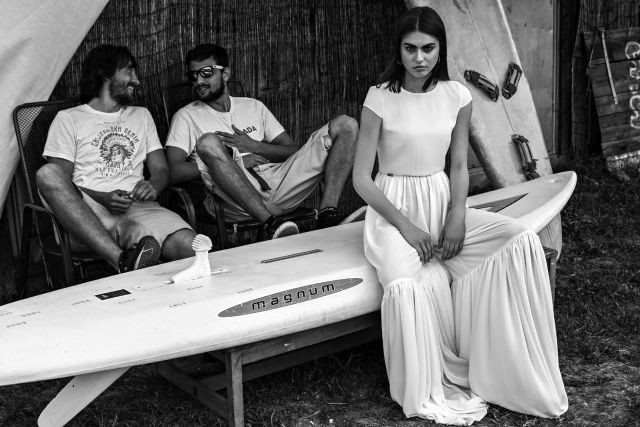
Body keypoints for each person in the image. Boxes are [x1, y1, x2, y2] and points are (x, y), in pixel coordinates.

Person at [352, 7, 567, 425]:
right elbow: (362, 179)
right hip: (393, 207)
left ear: (440, 49)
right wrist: (407, 227)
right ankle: (424, 387)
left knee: (517, 238)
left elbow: (457, 165)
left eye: (428, 48)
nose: (419, 57)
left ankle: (504, 364)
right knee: (403, 284)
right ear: (398, 50)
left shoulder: (457, 95)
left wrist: (456, 215)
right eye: (410, 48)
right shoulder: (379, 97)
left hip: (441, 198)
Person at [165, 43, 358, 238]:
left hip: (280, 182)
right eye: (193, 76)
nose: (198, 81)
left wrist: (254, 146)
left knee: (346, 125)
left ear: (226, 73)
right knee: (208, 142)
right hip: (234, 199)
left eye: (206, 73)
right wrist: (237, 162)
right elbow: (172, 172)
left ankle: (326, 214)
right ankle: (271, 224)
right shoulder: (186, 116)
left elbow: (292, 151)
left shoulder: (253, 107)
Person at [37, 45, 197, 273]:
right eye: (129, 71)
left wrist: (153, 186)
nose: (137, 80)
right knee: (47, 174)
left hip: (140, 210)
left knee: (193, 248)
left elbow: (161, 170)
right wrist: (102, 198)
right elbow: (60, 183)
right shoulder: (69, 119)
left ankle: (132, 254)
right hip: (87, 215)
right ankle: (121, 259)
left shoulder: (141, 116)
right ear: (105, 73)